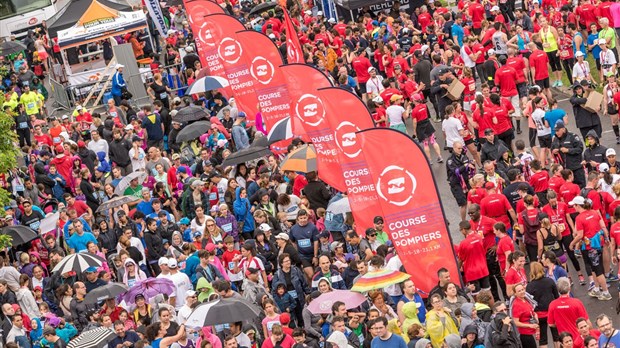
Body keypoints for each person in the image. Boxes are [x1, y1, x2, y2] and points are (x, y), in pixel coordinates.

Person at [548, 277, 591, 348]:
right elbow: (586, 321)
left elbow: (551, 324)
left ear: (558, 290)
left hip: (565, 340)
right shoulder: (577, 302)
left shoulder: (553, 304)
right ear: (569, 288)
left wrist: (560, 323)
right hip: (578, 339)